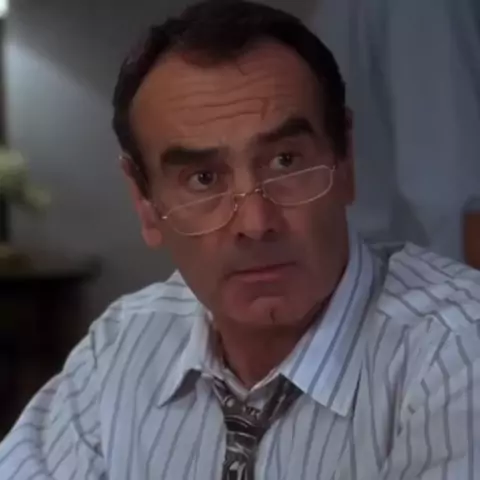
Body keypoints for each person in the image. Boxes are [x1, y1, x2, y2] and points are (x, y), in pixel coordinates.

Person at [0, 0, 479, 478]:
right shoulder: (121, 345)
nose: (255, 221)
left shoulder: (457, 353)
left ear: (345, 160)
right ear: (145, 203)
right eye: (204, 178)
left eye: (285, 162)